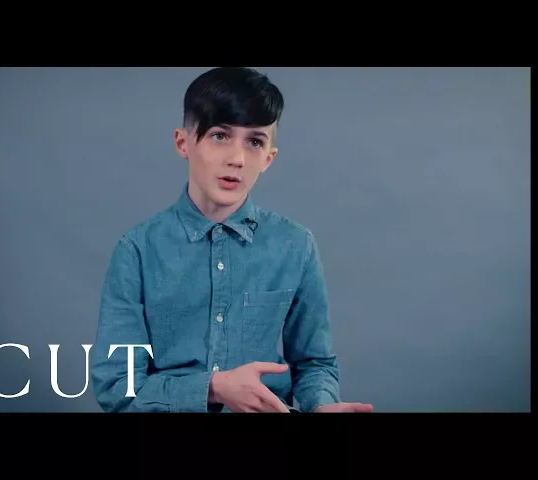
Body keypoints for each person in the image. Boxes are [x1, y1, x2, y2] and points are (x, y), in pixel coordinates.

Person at [90, 66, 373, 413]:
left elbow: (314, 363)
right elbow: (117, 386)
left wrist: (321, 405)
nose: (237, 159)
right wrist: (212, 389)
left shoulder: (296, 245)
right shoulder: (136, 251)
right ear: (183, 142)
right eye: (220, 136)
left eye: (254, 142)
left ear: (268, 158)